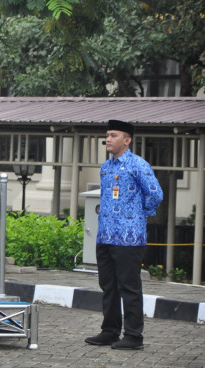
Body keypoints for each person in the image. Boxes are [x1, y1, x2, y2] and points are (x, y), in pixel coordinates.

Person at [85, 120, 163, 350]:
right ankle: (109, 331)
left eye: (113, 135)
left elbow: (155, 194)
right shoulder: (106, 168)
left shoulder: (138, 165)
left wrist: (140, 214)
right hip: (106, 235)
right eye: (107, 135)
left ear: (127, 140)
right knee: (108, 286)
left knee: (129, 287)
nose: (108, 139)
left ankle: (133, 336)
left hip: (129, 238)